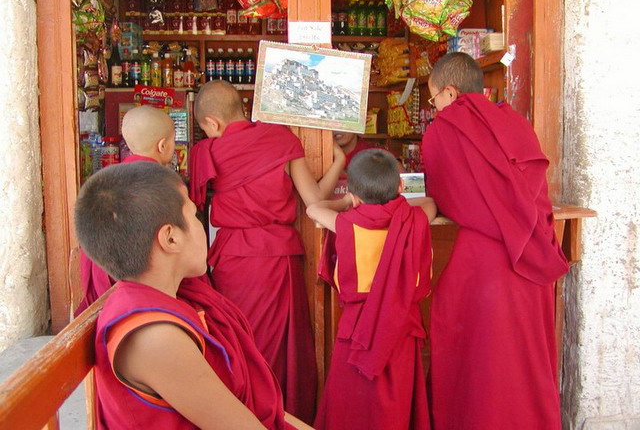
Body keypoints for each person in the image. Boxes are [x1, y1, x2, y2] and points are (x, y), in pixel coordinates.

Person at [75, 162, 313, 429]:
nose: (201, 226)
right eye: (194, 214)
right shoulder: (155, 338)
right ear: (171, 238)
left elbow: (263, 412)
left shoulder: (177, 298)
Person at [421, 52, 569, 429]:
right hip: (534, 254)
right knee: (527, 359)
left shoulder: (445, 128)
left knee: (480, 360)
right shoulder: (516, 122)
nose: (435, 108)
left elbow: (447, 197)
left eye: (434, 99)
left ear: (450, 93)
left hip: (483, 264)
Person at [189, 80, 346, 423]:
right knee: (280, 351)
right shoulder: (280, 139)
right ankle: (283, 418)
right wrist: (339, 161)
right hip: (277, 258)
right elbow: (315, 203)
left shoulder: (207, 152)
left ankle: (243, 418)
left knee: (241, 344)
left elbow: (193, 210)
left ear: (212, 122)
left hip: (233, 261)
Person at [307, 149, 437, 430]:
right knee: (397, 400)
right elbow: (430, 202)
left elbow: (312, 209)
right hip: (401, 327)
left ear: (354, 194)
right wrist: (399, 202)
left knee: (351, 401)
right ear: (400, 186)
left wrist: (346, 202)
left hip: (358, 331)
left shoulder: (346, 223)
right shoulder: (414, 220)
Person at [75, 105, 176, 315]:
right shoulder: (164, 185)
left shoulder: (106, 181)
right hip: (145, 286)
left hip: (110, 284)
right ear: (162, 145)